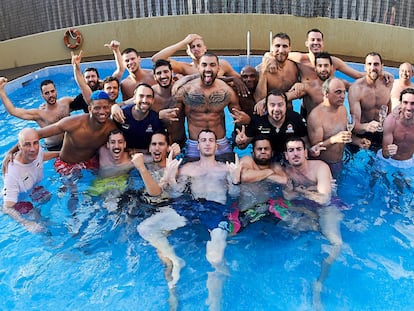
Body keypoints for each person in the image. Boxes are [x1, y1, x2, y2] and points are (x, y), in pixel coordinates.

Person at [158, 129, 241, 310]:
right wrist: (171, 177)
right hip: (193, 208)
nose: (208, 143)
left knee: (215, 258)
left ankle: (215, 303)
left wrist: (235, 181)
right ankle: (173, 275)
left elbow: (235, 195)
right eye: (203, 140)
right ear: (198, 145)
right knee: (151, 229)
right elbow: (176, 193)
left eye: (211, 140)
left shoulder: (225, 168)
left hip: (216, 210)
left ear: (216, 145)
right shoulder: (188, 168)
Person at [282, 136, 344, 310]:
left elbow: (325, 199)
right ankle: (315, 227)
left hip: (328, 208)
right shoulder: (286, 172)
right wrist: (308, 191)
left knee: (337, 244)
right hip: (306, 208)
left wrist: (302, 191)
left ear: (305, 152)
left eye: (298, 150)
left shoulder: (320, 167)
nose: (295, 154)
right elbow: (287, 196)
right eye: (291, 150)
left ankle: (319, 283)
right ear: (286, 155)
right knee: (284, 225)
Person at [173, 52, 250, 161]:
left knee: (232, 176)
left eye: (212, 65)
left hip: (221, 143)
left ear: (218, 68)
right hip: (195, 145)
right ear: (198, 67)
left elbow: (238, 119)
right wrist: (176, 142)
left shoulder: (227, 91)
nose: (208, 69)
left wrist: (244, 126)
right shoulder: (185, 91)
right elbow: (174, 120)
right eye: (204, 65)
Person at [151, 33, 247, 95]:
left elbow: (242, 80)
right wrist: (184, 42)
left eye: (199, 46)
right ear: (188, 52)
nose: (196, 48)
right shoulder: (185, 68)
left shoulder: (221, 64)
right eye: (192, 47)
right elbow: (156, 59)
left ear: (205, 48)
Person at [2, 128, 58, 233]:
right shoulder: (12, 172)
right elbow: (7, 207)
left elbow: (41, 156)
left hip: (33, 189)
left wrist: (59, 154)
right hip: (18, 200)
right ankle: (51, 244)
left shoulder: (37, 150)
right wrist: (26, 223)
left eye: (35, 143)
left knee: (47, 197)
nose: (33, 149)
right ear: (19, 147)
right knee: (38, 223)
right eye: (27, 144)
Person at [0, 77, 73, 151]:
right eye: (46, 93)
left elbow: (83, 100)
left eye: (52, 91)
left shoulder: (66, 102)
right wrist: (1, 91)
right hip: (54, 147)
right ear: (42, 95)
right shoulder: (39, 114)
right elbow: (13, 111)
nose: (50, 95)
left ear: (56, 91)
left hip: (71, 142)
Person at [235, 89, 308, 161]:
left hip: (289, 158)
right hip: (265, 159)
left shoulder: (296, 119)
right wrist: (241, 141)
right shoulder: (258, 120)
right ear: (266, 107)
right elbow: (243, 146)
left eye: (280, 105)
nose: (276, 109)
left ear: (286, 106)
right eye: (272, 105)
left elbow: (305, 144)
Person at [349, 52, 393, 151]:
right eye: (369, 64)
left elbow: (388, 105)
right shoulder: (356, 89)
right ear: (365, 67)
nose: (373, 68)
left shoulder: (388, 82)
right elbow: (354, 126)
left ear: (382, 66)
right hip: (362, 134)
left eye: (376, 64)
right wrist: (366, 126)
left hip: (380, 132)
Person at [307, 78, 351, 178]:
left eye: (344, 92)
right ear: (326, 93)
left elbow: (344, 135)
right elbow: (315, 150)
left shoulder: (343, 109)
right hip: (323, 167)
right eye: (338, 92)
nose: (343, 96)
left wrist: (358, 141)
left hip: (340, 162)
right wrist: (334, 139)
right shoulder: (316, 116)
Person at [288, 28, 364, 82]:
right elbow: (279, 54)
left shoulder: (333, 62)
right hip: (309, 104)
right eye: (312, 40)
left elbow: (358, 75)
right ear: (306, 43)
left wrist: (374, 74)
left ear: (323, 43)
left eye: (319, 40)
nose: (316, 42)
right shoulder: (300, 59)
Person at [254, 32, 300, 110]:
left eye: (285, 46)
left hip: (289, 111)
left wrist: (300, 84)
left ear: (290, 48)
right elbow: (259, 100)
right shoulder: (261, 69)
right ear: (272, 48)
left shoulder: (295, 67)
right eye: (277, 46)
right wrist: (263, 73)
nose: (281, 50)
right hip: (268, 113)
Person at [117, 83, 165, 154]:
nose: (144, 100)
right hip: (122, 155)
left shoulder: (155, 120)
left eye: (148, 97)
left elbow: (160, 147)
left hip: (144, 155)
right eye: (141, 96)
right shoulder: (122, 113)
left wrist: (137, 152)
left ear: (153, 100)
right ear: (134, 98)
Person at [151, 59, 186, 147]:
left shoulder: (182, 91)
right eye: (159, 73)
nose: (163, 76)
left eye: (166, 72)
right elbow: (128, 104)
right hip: (158, 146)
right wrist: (115, 107)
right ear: (154, 77)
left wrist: (185, 79)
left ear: (172, 73)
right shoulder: (149, 94)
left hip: (180, 143)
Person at [379, 88, 414, 168]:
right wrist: (388, 152)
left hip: (408, 162)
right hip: (387, 161)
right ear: (400, 104)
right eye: (405, 102)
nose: (409, 107)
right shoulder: (391, 121)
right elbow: (385, 154)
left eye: (413, 103)